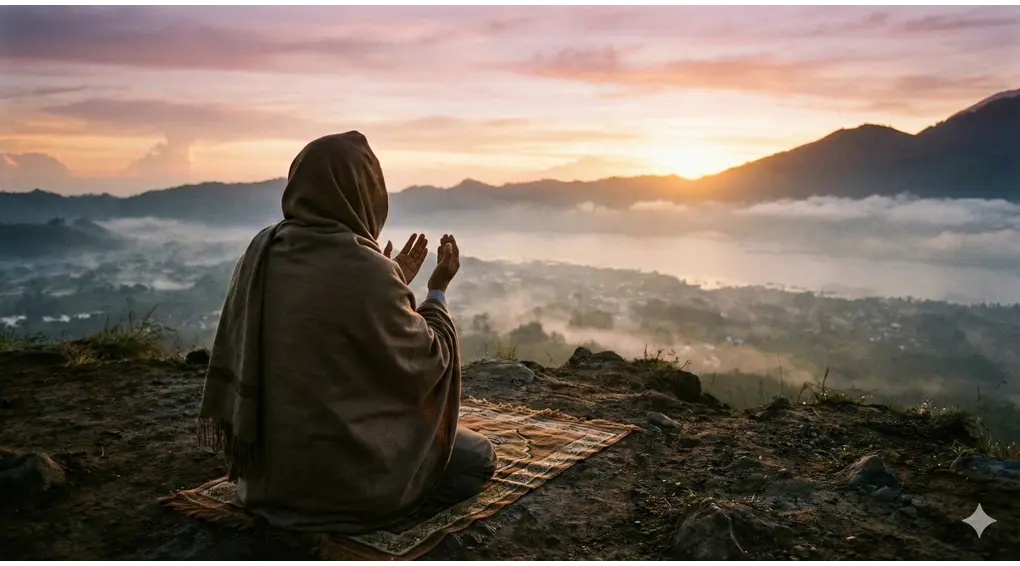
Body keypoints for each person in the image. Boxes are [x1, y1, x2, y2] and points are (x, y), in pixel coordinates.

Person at [196, 131, 497, 533]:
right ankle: (384, 504)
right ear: (366, 193)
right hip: (346, 486)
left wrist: (394, 285)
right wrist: (435, 291)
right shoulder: (368, 272)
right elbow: (428, 360)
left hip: (267, 484)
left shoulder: (261, 252)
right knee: (477, 458)